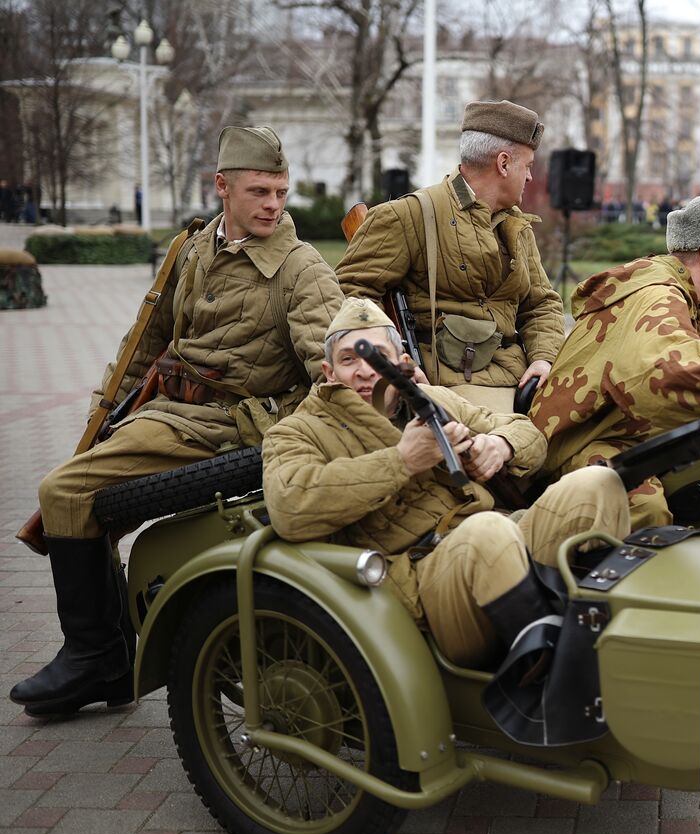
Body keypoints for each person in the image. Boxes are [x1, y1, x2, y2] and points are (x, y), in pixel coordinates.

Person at [13, 126, 345, 717]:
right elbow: (147, 341)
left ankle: (95, 658)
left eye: (281, 192)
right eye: (260, 191)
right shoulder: (192, 247)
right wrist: (101, 412)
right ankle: (107, 658)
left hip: (230, 423)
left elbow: (332, 362)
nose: (274, 204)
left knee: (63, 490)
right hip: (166, 409)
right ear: (222, 187)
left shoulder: (302, 268)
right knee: (80, 488)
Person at [261, 299, 629, 667]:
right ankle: (545, 674)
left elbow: (526, 432)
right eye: (349, 359)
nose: (364, 371)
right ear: (328, 371)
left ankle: (606, 639)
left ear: (403, 362)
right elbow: (290, 506)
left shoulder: (433, 399)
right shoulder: (295, 432)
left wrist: (498, 447)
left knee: (598, 484)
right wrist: (401, 461)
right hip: (416, 586)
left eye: (377, 356)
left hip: (489, 546)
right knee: (488, 531)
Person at [530, 195, 700, 529]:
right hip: (574, 448)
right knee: (646, 512)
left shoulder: (668, 287)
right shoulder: (660, 294)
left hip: (606, 434)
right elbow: (666, 361)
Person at [337, 100, 564, 415]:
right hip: (447, 384)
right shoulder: (409, 215)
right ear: (503, 163)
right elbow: (353, 295)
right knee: (525, 443)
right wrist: (393, 361)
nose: (529, 177)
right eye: (527, 166)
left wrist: (543, 358)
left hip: (519, 375)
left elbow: (542, 304)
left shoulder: (515, 225)